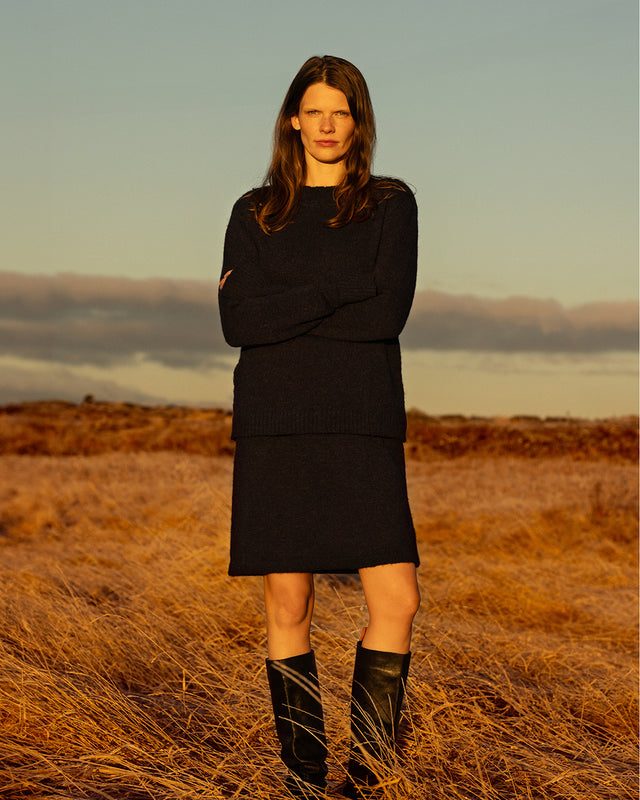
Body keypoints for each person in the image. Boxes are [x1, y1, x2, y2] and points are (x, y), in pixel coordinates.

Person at [218, 55, 420, 799]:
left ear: (359, 122)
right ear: (292, 120)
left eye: (343, 111)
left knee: (397, 600)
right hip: (277, 425)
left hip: (364, 422)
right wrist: (342, 288)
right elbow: (238, 324)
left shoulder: (390, 204)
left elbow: (387, 315)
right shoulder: (255, 211)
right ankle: (305, 781)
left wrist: (286, 309)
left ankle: (369, 778)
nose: (329, 125)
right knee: (288, 605)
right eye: (315, 111)